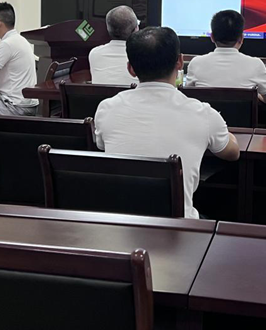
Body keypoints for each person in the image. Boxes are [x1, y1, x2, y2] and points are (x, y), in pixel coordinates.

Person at [94, 26, 241, 218]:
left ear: (130, 69)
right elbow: (232, 153)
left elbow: (101, 145)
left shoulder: (106, 108)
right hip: (179, 228)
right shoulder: (203, 113)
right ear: (180, 61)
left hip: (120, 225)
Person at [186, 10, 266, 105]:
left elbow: (188, 96)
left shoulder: (196, 63)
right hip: (241, 115)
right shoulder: (255, 65)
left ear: (212, 37)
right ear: (241, 38)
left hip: (206, 115)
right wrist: (255, 96)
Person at [88, 5, 139, 85]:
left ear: (108, 29)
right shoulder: (143, 55)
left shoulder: (94, 53)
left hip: (103, 94)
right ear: (135, 30)